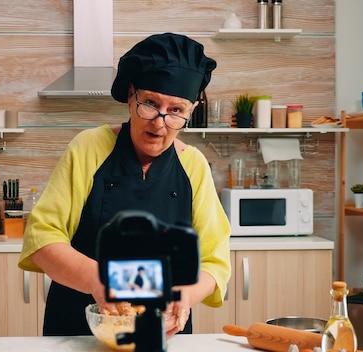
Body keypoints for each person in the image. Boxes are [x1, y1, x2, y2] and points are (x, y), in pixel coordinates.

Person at [18, 32, 232, 338]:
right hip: (79, 327)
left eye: (176, 111)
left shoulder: (193, 165)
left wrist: (183, 298)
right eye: (150, 103)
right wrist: (99, 282)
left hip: (162, 330)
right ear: (131, 96)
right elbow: (42, 238)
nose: (160, 123)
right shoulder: (88, 148)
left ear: (191, 110)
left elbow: (215, 260)